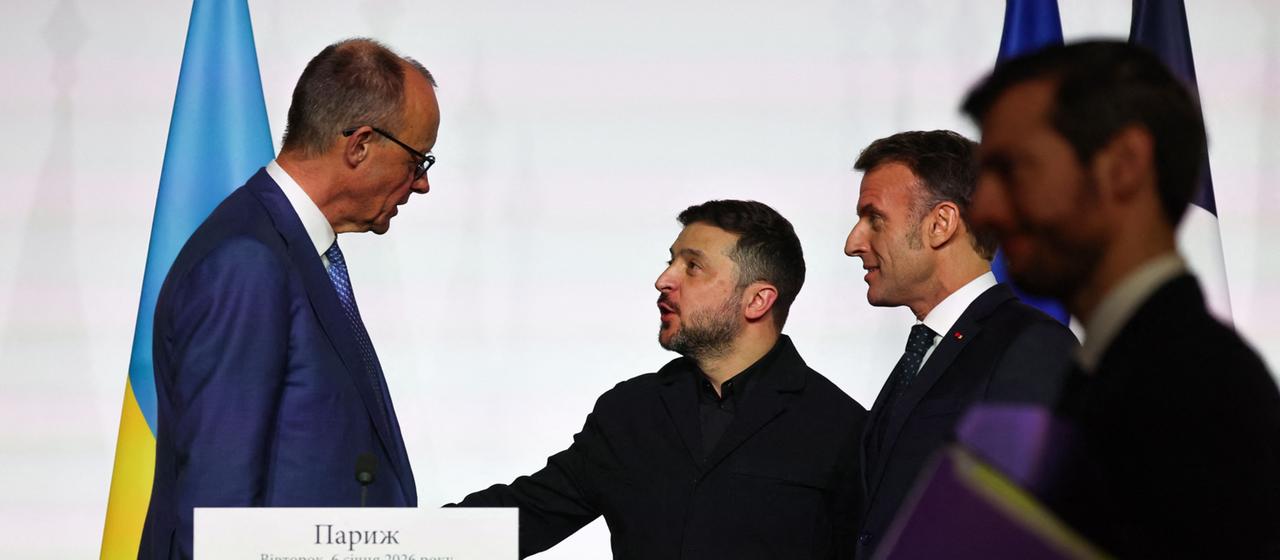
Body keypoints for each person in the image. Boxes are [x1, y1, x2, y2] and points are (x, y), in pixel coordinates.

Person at [962, 40, 1280, 557]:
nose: (986, 210)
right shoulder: (1121, 369)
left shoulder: (1193, 387)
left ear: (1124, 166)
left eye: (1014, 169)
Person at [140, 38, 439, 559]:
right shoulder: (247, 262)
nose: (421, 185)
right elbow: (217, 510)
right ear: (361, 144)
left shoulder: (292, 252)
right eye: (418, 161)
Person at [451, 200, 866, 559]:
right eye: (670, 261)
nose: (664, 279)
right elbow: (528, 513)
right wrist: (392, 543)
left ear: (757, 300)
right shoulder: (631, 411)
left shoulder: (842, 429)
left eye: (693, 266)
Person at [842, 130, 1077, 558]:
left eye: (874, 219)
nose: (853, 244)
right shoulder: (925, 352)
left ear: (941, 224)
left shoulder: (1032, 346)